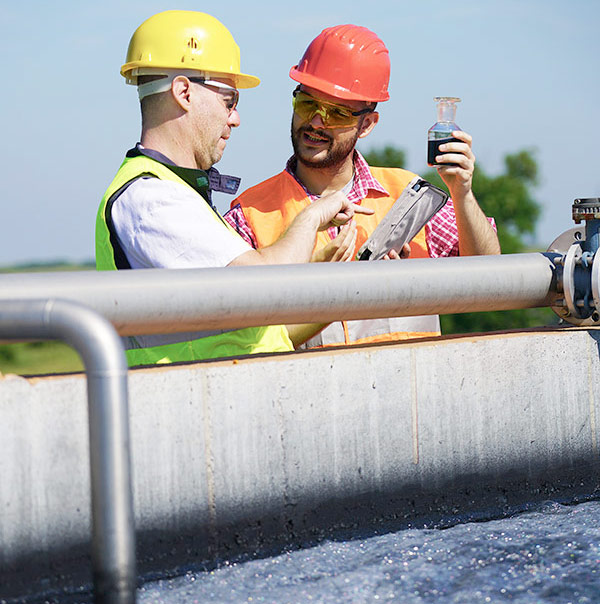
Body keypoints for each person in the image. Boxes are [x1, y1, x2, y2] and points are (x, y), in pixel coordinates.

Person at [95, 11, 371, 366]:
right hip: (191, 408)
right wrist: (311, 217)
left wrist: (333, 283)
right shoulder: (152, 200)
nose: (235, 118)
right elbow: (261, 283)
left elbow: (262, 333)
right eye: (229, 101)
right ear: (183, 92)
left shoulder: (174, 193)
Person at [226, 24, 501, 348]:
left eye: (337, 113)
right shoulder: (249, 214)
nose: (316, 122)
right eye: (307, 104)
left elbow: (490, 279)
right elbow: (236, 331)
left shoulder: (409, 195)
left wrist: (462, 193)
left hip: (410, 393)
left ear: (367, 124)